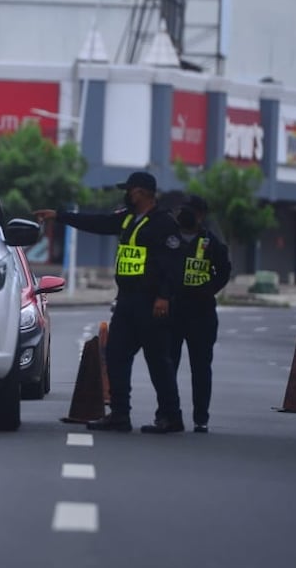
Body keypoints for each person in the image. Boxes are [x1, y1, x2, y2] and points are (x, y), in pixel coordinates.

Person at [34, 170, 185, 434]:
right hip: (127, 300)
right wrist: (60, 216)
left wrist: (164, 296)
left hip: (151, 303)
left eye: (129, 190)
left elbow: (173, 264)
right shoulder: (127, 218)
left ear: (141, 192)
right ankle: (119, 415)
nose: (126, 194)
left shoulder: (164, 224)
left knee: (158, 361)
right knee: (115, 356)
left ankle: (171, 417)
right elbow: (98, 222)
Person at [170, 195, 232, 433]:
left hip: (201, 313)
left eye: (191, 211)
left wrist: (208, 291)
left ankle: (201, 418)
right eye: (182, 210)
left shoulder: (211, 242)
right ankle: (169, 413)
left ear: (200, 216)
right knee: (168, 366)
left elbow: (224, 271)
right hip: (174, 310)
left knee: (201, 368)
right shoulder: (170, 238)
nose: (184, 214)